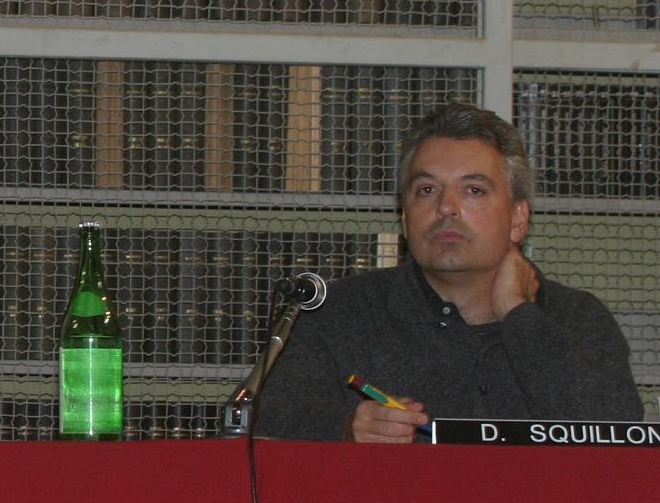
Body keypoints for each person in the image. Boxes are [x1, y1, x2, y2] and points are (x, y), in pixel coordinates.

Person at [253, 102, 640, 442]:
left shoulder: (577, 318)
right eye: (426, 190)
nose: (446, 208)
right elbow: (258, 427)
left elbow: (618, 438)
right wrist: (344, 429)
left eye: (474, 190)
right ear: (404, 218)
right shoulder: (336, 314)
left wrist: (520, 316)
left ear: (519, 218)